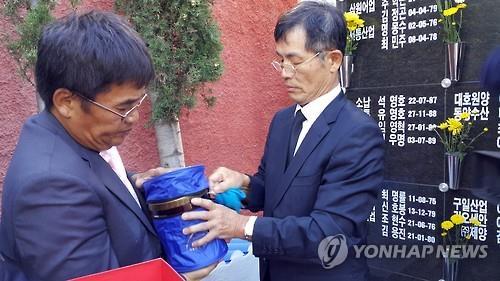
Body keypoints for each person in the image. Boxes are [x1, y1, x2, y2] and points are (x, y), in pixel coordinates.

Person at [0, 11, 211, 281]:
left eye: (138, 102)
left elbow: (96, 188)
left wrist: (132, 184)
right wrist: (182, 278)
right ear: (66, 102)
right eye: (123, 107)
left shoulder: (73, 139)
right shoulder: (50, 187)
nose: (134, 117)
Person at [182, 2, 384, 281]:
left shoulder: (357, 133)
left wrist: (242, 226)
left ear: (333, 60)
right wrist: (240, 182)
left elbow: (329, 231)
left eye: (296, 60)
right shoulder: (282, 121)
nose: (285, 72)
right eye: (281, 60)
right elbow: (272, 189)